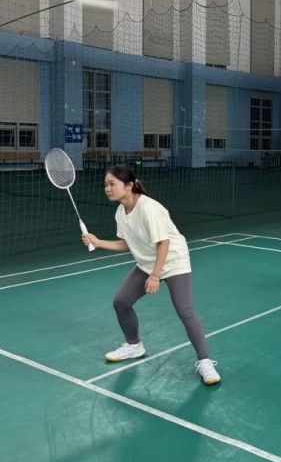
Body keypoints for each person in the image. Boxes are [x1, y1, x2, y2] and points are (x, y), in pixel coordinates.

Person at [82, 165, 220, 385]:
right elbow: (126, 244)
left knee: (185, 311)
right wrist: (98, 242)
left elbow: (163, 242)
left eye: (112, 184)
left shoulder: (148, 208)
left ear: (129, 186)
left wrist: (155, 276)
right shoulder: (121, 212)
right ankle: (134, 346)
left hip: (173, 261)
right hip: (147, 262)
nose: (107, 188)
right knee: (121, 302)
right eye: (105, 184)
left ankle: (205, 362)